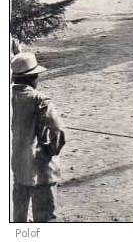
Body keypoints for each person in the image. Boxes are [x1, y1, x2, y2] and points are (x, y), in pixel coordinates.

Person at [11, 52, 65, 222]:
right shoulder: (40, 99)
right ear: (33, 77)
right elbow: (57, 130)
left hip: (18, 164)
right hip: (40, 166)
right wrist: (52, 149)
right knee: (45, 217)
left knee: (19, 217)